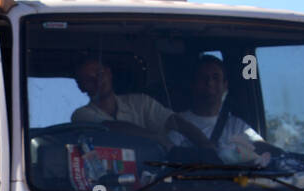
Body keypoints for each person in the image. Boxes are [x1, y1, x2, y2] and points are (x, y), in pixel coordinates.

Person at [71, 57, 208, 150]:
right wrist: (158, 139)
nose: (97, 81)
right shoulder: (81, 115)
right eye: (89, 79)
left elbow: (177, 123)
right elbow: (112, 128)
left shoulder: (140, 102)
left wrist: (207, 147)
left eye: (99, 73)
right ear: (81, 87)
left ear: (109, 73)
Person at [168, 55, 271, 165]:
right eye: (203, 78)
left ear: (225, 85)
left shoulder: (238, 126)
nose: (210, 83)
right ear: (193, 84)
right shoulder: (178, 123)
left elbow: (262, 149)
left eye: (216, 78)